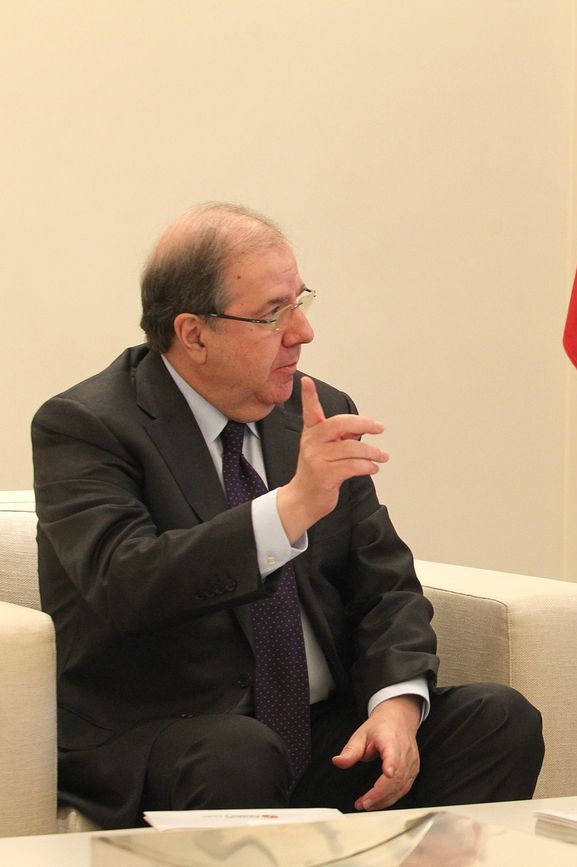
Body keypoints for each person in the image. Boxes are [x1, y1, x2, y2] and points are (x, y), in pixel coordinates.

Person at [32, 203, 544, 829]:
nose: (302, 331)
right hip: (172, 736)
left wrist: (396, 704)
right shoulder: (87, 426)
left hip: (316, 732)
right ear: (193, 334)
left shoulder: (315, 410)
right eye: (273, 313)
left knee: (499, 720)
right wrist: (287, 510)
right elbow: (124, 584)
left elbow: (383, 583)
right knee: (238, 754)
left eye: (300, 300)